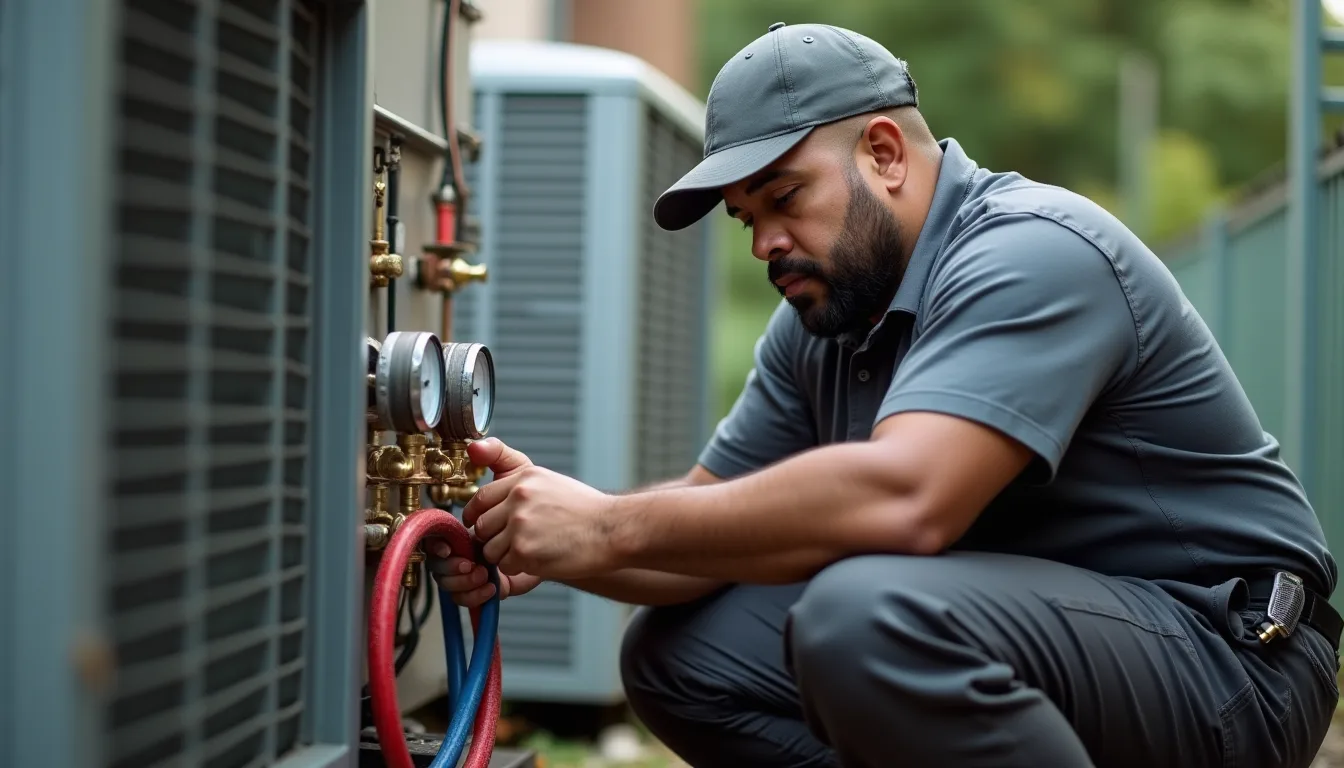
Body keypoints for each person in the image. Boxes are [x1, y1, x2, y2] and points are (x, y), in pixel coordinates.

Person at [428, 21, 1342, 768]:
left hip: (1229, 666)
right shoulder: (822, 324)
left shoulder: (1031, 253)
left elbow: (908, 499)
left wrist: (608, 528)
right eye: (749, 219)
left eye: (785, 198)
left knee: (865, 616)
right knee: (682, 654)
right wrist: (552, 535)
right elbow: (706, 529)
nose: (764, 244)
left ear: (884, 153)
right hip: (1049, 650)